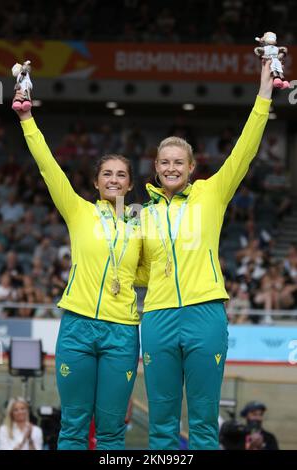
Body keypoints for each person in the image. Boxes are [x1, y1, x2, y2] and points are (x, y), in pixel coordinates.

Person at [139, 61, 273, 450]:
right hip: (158, 317)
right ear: (156, 168)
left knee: (202, 420)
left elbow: (245, 149)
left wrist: (264, 93)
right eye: (164, 162)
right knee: (161, 422)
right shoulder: (143, 215)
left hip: (204, 313)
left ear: (192, 168)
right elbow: (141, 272)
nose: (171, 168)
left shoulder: (212, 193)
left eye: (178, 162)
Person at [13, 89, 145, 450]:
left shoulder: (142, 225)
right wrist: (27, 120)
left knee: (112, 431)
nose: (114, 179)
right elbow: (47, 167)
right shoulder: (79, 211)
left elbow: (153, 270)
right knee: (72, 426)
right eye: (107, 174)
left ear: (131, 184)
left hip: (122, 331)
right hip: (77, 326)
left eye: (121, 174)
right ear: (96, 181)